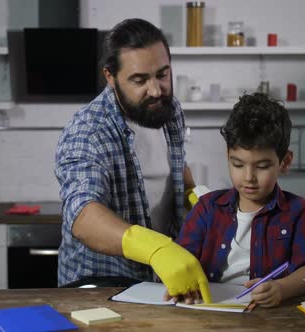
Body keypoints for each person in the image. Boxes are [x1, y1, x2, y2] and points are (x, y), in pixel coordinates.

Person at [54, 18, 211, 303]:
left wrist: (195, 196)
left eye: (163, 74)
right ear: (110, 77)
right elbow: (83, 217)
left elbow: (174, 166)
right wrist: (156, 248)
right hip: (99, 283)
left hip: (157, 278)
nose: (155, 90)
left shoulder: (168, 109)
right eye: (140, 80)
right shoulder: (89, 130)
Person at [172, 93, 305, 307]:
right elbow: (180, 261)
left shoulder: (296, 210)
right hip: (210, 312)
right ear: (228, 155)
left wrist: (282, 289)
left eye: (262, 166)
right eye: (238, 164)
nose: (248, 177)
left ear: (285, 162)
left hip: (270, 317)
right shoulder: (207, 208)